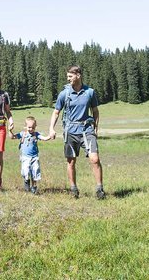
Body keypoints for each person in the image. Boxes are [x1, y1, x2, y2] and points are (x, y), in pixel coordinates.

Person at [49, 65, 105, 200]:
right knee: (71, 162)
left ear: (78, 75)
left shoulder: (90, 92)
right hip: (70, 131)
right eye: (67, 76)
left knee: (95, 159)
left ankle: (99, 189)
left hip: (87, 130)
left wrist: (96, 127)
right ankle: (73, 188)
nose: (68, 79)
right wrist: (51, 128)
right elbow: (56, 112)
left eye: (70, 76)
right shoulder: (64, 94)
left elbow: (95, 111)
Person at [13, 116, 51, 194]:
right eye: (29, 127)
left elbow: (44, 138)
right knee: (25, 172)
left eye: (33, 127)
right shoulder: (22, 134)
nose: (31, 129)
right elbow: (12, 137)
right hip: (25, 157)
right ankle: (26, 182)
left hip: (34, 157)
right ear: (25, 126)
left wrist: (50, 136)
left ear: (35, 127)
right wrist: (10, 130)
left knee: (35, 171)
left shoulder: (36, 134)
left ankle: (34, 187)